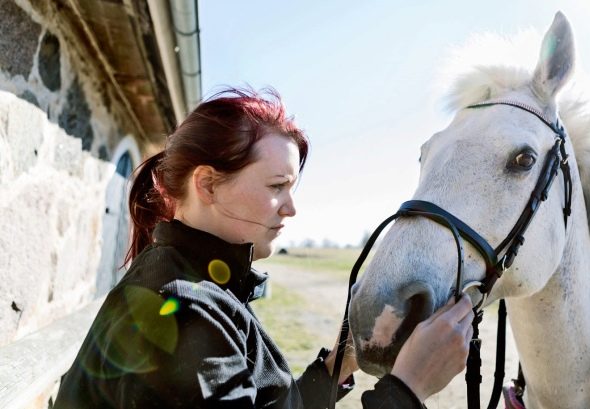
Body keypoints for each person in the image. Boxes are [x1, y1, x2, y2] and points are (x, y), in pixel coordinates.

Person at [54, 88, 474, 408]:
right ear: (207, 185)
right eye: (277, 187)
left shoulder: (196, 280)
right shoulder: (183, 309)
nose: (291, 208)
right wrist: (409, 387)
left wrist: (341, 363)